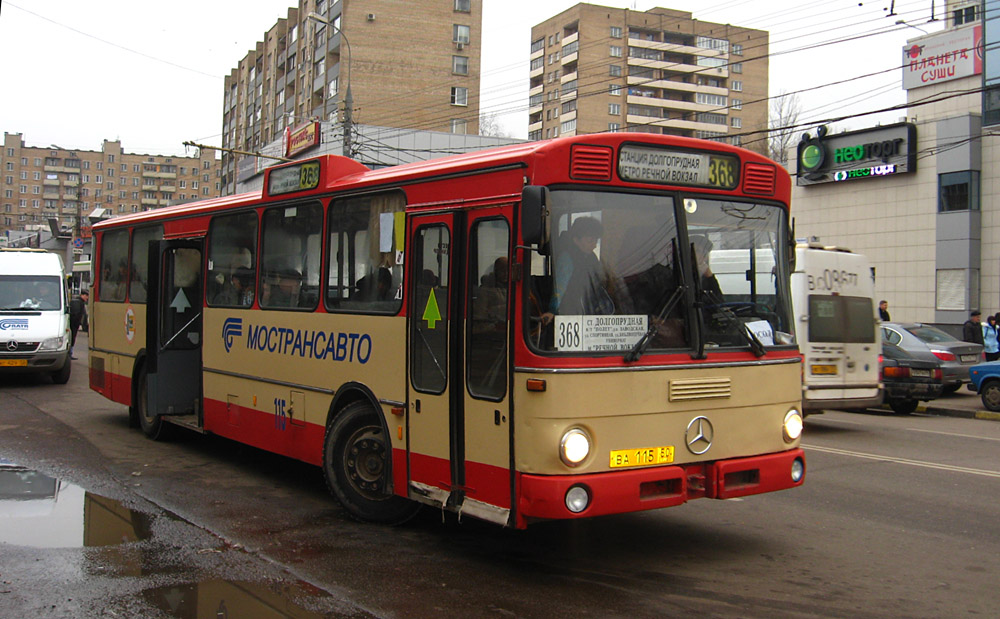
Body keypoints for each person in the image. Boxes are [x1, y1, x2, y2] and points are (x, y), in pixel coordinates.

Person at [542, 217, 614, 324]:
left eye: (596, 241)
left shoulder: (591, 257)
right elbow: (560, 287)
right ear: (576, 240)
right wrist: (552, 311)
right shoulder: (566, 258)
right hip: (572, 313)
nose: (594, 245)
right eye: (590, 241)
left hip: (590, 310)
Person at [690, 235, 723, 304]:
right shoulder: (678, 275)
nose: (703, 256)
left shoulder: (705, 276)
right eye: (698, 251)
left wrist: (710, 277)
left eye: (705, 253)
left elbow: (719, 302)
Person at [69, 289, 89, 360]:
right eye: (86, 296)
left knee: (72, 338)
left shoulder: (80, 302)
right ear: (82, 295)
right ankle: (69, 353)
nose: (87, 298)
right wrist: (77, 323)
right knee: (72, 338)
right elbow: (76, 314)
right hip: (74, 324)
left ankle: (70, 353)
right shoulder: (77, 302)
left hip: (75, 324)